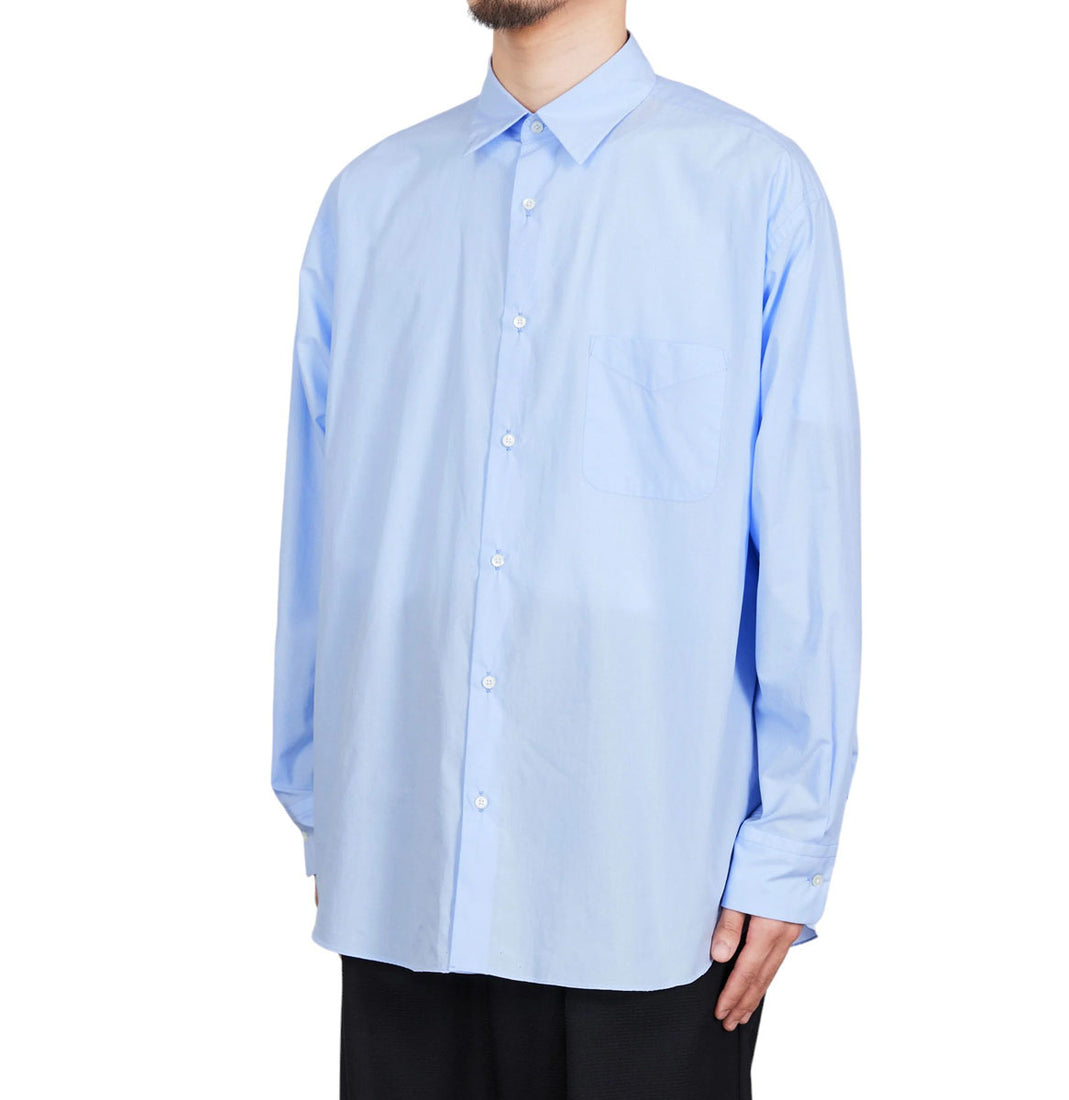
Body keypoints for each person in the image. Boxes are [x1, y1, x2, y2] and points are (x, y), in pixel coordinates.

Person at [271, 1, 861, 1096]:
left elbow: (806, 549)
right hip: (404, 886)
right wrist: (325, 803)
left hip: (650, 904)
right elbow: (321, 533)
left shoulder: (749, 189)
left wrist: (791, 846)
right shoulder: (370, 201)